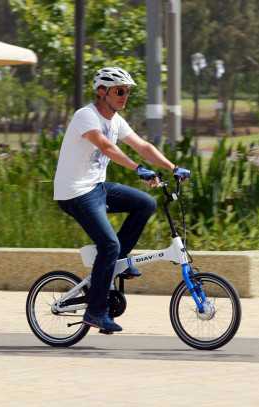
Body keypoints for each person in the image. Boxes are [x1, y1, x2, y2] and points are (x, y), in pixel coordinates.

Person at [54, 67, 190, 333]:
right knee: (108, 244)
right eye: (119, 91)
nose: (124, 96)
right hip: (75, 192)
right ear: (101, 92)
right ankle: (95, 313)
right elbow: (106, 146)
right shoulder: (86, 116)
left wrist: (173, 167)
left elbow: (143, 146)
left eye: (127, 92)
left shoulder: (116, 121)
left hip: (96, 187)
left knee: (145, 204)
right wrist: (137, 169)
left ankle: (118, 263)